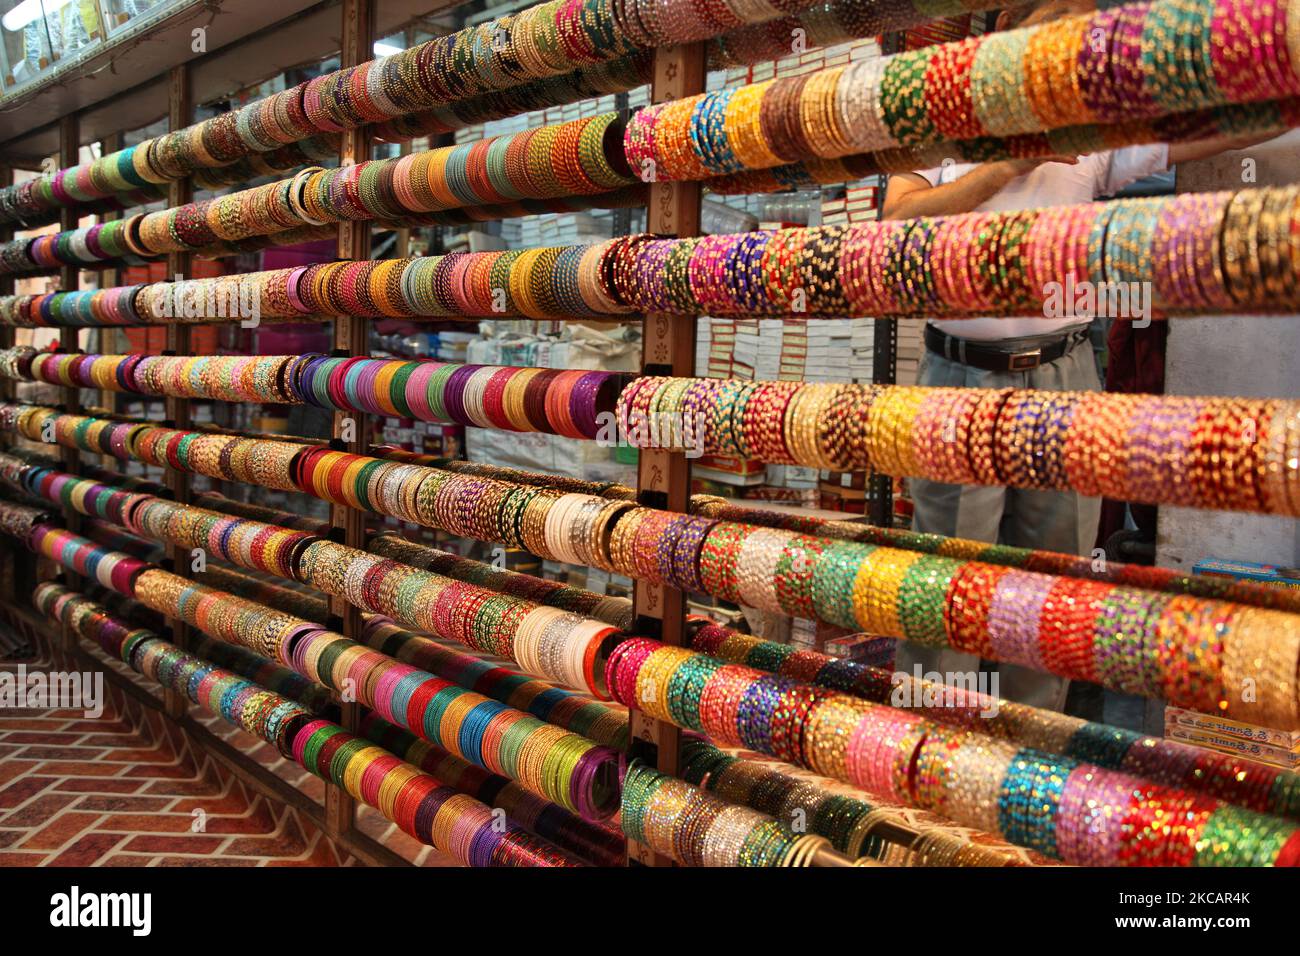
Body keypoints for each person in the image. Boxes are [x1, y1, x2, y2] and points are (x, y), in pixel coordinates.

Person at [881, 0, 1280, 711]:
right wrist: (1000, 166)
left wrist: (1273, 61)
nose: (1058, 53)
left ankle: (1029, 756)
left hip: (1063, 375)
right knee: (947, 585)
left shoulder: (1093, 137)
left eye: (1072, 39)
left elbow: (1216, 132)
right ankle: (932, 755)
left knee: (1048, 589)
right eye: (1046, 34)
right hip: (957, 379)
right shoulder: (945, 122)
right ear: (1003, 42)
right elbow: (897, 219)